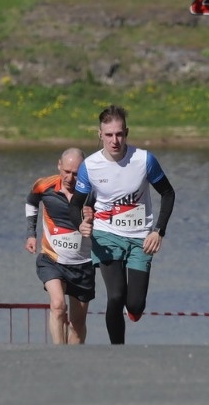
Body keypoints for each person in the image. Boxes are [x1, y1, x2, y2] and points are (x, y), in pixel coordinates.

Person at [69, 105, 176, 345]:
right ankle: (118, 351)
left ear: (126, 132)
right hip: (106, 235)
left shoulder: (144, 160)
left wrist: (158, 231)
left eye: (119, 134)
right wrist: (80, 225)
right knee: (115, 296)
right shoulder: (90, 166)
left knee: (135, 304)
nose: (114, 140)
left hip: (140, 238)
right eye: (109, 135)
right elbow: (75, 204)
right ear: (100, 135)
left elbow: (168, 194)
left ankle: (134, 309)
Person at [25, 148, 95, 344]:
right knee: (58, 306)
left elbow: (109, 220)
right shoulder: (44, 185)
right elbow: (31, 202)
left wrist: (93, 221)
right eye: (66, 171)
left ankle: (74, 361)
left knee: (77, 323)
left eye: (76, 173)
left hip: (82, 263)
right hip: (52, 259)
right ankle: (59, 353)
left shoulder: (93, 192)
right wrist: (31, 234)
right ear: (59, 166)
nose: (70, 178)